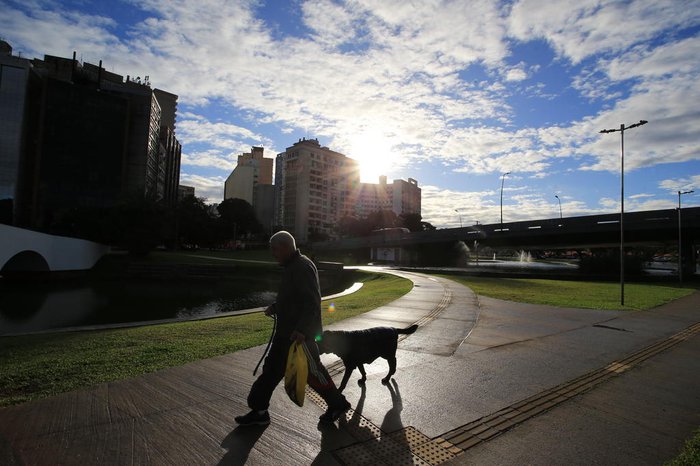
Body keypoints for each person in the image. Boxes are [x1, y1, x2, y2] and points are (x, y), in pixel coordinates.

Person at [235, 231, 351, 426]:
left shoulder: (302, 267)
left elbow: (312, 302)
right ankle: (259, 411)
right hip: (286, 335)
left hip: (299, 338)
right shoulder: (293, 266)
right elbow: (292, 298)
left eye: (275, 249)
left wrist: (303, 330)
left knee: (314, 374)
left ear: (286, 247)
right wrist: (276, 306)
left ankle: (338, 404)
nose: (273, 253)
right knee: (271, 371)